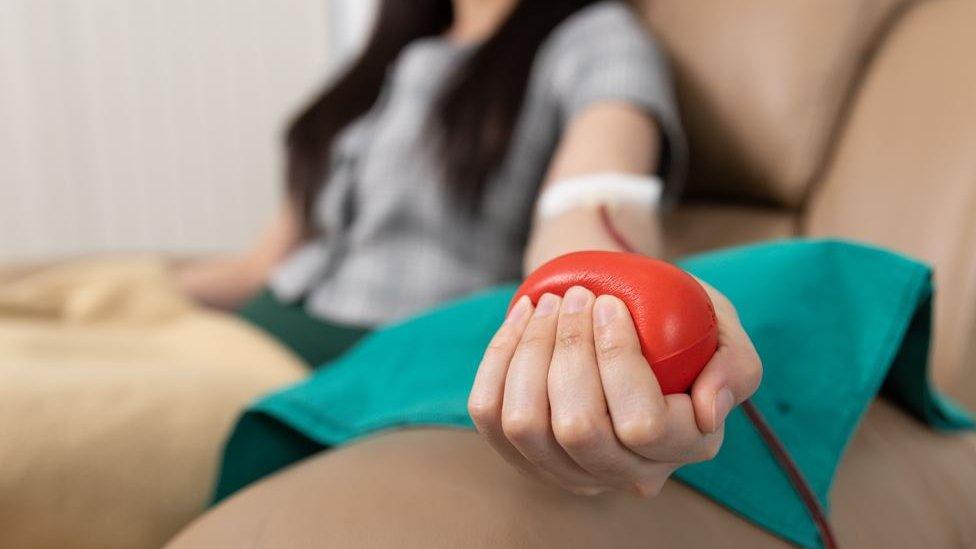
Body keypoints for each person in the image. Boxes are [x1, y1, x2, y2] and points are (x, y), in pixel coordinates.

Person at [174, 0, 761, 499]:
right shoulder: (389, 59)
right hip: (266, 319)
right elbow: (260, 266)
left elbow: (593, 203)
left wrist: (611, 284)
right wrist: (129, 285)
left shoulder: (596, 38)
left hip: (380, 350)